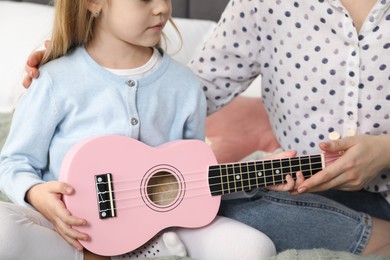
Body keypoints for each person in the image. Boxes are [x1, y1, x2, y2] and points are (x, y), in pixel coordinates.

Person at [22, 0, 390, 257]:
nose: (162, 9)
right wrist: (95, 67)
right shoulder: (264, 4)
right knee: (207, 205)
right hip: (305, 186)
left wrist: (385, 150)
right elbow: (188, 90)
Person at [0, 0, 277, 259]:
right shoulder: (54, 79)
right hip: (68, 229)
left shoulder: (185, 85)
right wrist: (35, 193)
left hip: (163, 229)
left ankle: (145, 248)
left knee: (255, 248)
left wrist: (264, 171)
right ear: (93, 2)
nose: (162, 8)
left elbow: (193, 176)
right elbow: (14, 162)